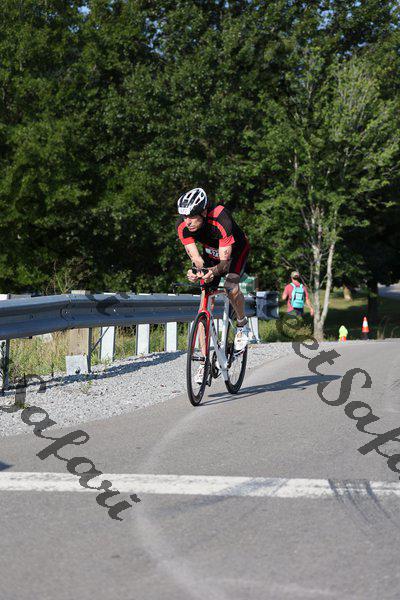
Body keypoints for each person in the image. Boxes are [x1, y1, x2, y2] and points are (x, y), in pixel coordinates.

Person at [176, 188, 251, 383]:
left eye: (191, 216)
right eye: (184, 216)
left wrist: (213, 272)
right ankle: (204, 362)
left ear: (203, 212)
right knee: (204, 305)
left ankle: (242, 324)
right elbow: (197, 259)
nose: (187, 221)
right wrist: (197, 272)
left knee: (230, 287)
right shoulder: (183, 226)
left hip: (234, 254)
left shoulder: (221, 218)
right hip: (211, 255)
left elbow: (224, 265)